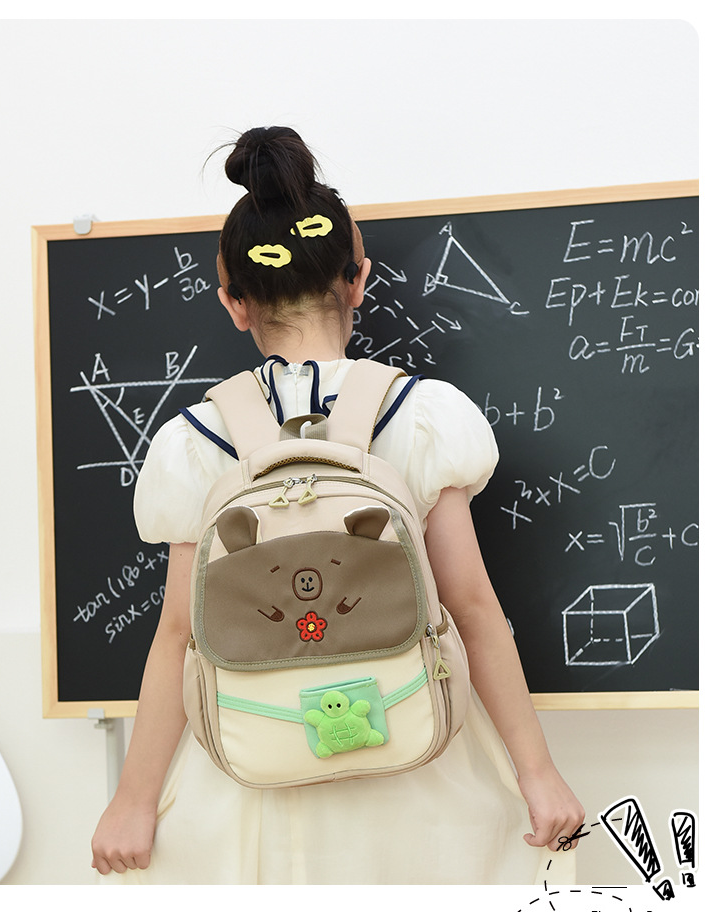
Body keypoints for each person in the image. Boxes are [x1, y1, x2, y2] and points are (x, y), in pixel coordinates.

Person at [90, 126, 585, 885]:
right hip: (413, 755)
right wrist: (538, 774)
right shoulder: (421, 415)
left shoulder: (192, 442)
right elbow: (472, 608)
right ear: (357, 282)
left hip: (254, 763)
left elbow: (179, 635)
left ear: (234, 304)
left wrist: (132, 800)